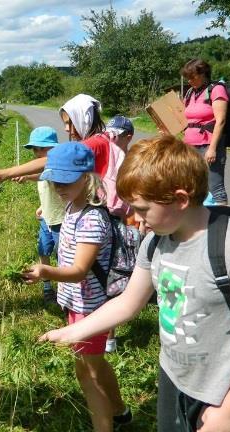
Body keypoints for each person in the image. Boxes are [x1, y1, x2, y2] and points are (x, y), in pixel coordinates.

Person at [39, 135, 230, 432]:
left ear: (180, 199)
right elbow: (128, 302)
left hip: (225, 393)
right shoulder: (156, 241)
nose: (134, 219)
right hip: (174, 382)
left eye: (142, 209)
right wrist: (71, 331)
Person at [22, 142, 130, 432]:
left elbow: (80, 270)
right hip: (76, 304)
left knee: (89, 375)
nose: (58, 188)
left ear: (85, 177)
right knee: (89, 366)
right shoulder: (72, 207)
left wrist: (45, 273)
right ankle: (121, 411)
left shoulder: (92, 220)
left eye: (65, 181)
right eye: (54, 181)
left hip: (92, 309)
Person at [18, 126, 64, 303]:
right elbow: (48, 191)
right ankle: (47, 286)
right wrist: (42, 207)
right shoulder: (41, 167)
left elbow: (46, 176)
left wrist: (27, 176)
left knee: (63, 256)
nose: (37, 152)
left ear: (54, 148)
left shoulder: (58, 166)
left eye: (42, 148)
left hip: (61, 220)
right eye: (35, 149)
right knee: (43, 250)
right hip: (47, 218)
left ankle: (65, 289)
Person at [103, 115, 135, 353]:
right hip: (100, 217)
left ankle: (109, 337)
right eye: (109, 134)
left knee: (115, 274)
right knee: (100, 273)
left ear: (128, 137)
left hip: (121, 222)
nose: (111, 138)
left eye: (116, 135)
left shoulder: (130, 161)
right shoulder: (105, 156)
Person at [181, 58, 229, 205]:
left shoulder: (216, 89)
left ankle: (223, 221)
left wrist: (212, 149)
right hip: (190, 146)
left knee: (215, 187)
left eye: (192, 77)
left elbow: (220, 121)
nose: (189, 80)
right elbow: (183, 119)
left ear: (203, 74)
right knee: (192, 185)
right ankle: (201, 220)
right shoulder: (190, 92)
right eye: (187, 77)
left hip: (208, 145)